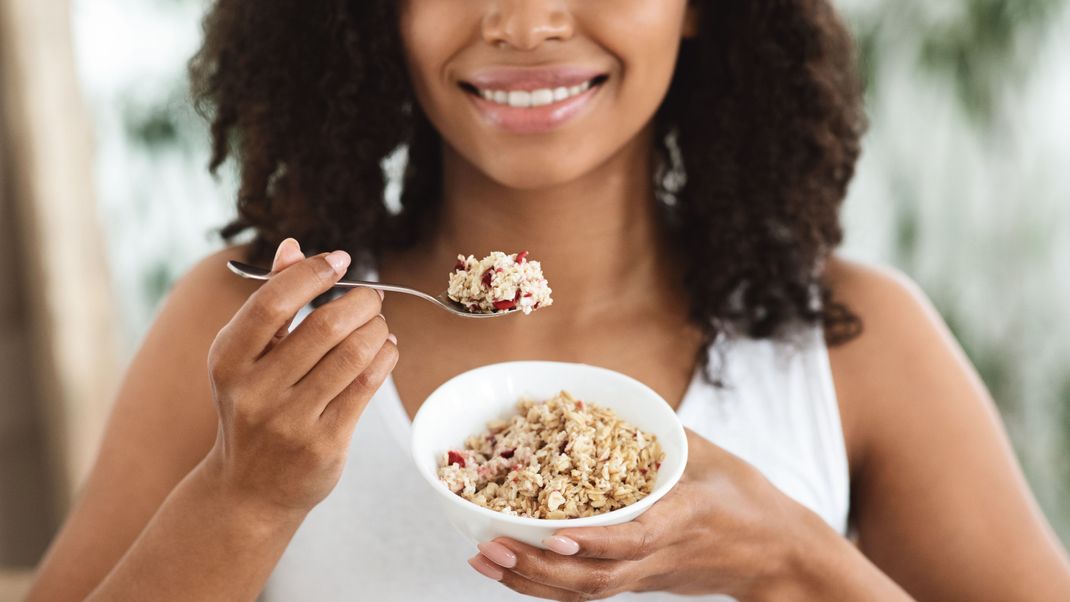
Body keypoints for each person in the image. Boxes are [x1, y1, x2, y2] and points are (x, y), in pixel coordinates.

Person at [26, 0, 1070, 600]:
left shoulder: (851, 343)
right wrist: (240, 497)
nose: (523, 22)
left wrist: (789, 556)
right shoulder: (251, 325)